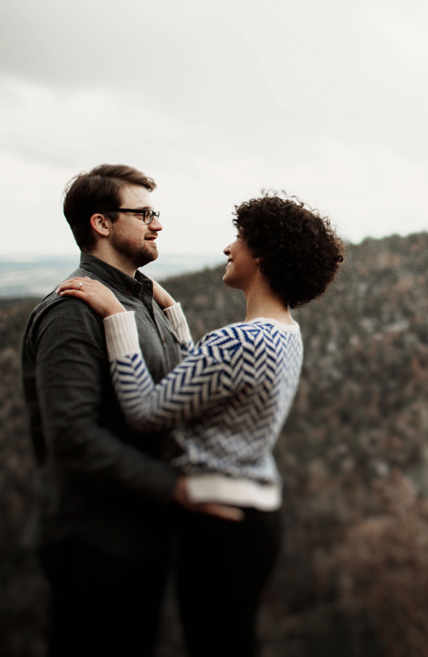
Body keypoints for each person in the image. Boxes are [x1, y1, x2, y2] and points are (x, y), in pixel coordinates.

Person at [57, 193, 344, 657]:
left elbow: (148, 411)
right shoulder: (284, 332)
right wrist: (171, 312)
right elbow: (206, 378)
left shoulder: (238, 341)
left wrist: (118, 318)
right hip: (254, 520)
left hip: (220, 529)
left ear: (262, 256)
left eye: (239, 240)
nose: (229, 249)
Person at [21, 164, 205, 657]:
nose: (157, 223)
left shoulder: (137, 300)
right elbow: (73, 436)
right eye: (143, 213)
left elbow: (179, 391)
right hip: (96, 545)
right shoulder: (73, 310)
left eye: (156, 212)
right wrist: (175, 488)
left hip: (144, 538)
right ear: (101, 224)